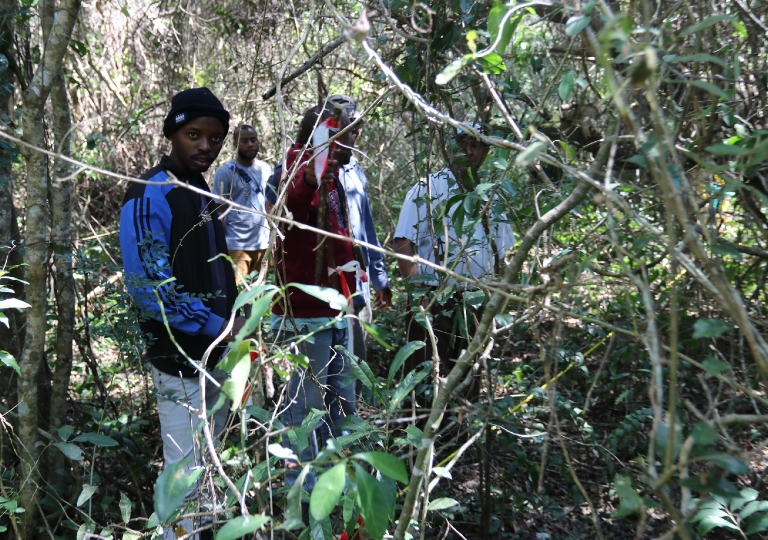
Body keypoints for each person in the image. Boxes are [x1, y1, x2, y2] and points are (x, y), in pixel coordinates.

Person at [119, 87, 245, 539]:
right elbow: (148, 286)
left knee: (209, 465)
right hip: (179, 360)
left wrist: (237, 323)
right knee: (183, 471)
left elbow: (219, 272)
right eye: (194, 135)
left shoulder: (202, 192)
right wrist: (217, 327)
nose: (205, 147)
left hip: (216, 356)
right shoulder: (151, 191)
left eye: (215, 138)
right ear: (173, 133)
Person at [393, 125, 515, 405]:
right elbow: (403, 242)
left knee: (468, 379)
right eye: (464, 144)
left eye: (478, 145)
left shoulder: (492, 195)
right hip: (433, 300)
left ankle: (460, 439)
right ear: (451, 146)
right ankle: (417, 439)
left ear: (487, 151)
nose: (471, 152)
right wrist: (418, 294)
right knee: (424, 377)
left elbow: (503, 255)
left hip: (474, 302)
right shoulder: (427, 188)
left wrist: (498, 297)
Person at [271, 103, 357, 489]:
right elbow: (292, 204)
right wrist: (310, 175)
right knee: (304, 415)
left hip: (336, 310)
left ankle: (337, 491)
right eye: (346, 131)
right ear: (324, 136)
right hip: (305, 317)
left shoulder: (336, 175)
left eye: (354, 131)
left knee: (342, 405)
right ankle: (300, 505)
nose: (354, 139)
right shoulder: (298, 169)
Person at [211, 124, 272, 283]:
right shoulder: (225, 172)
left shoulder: (265, 169)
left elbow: (270, 205)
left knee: (258, 295)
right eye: (244, 141)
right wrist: (218, 246)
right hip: (236, 246)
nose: (250, 144)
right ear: (235, 144)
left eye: (253, 140)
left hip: (262, 244)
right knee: (236, 294)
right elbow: (219, 212)